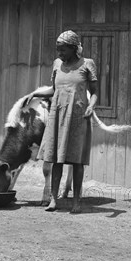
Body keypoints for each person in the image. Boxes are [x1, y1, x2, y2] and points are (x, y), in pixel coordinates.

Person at [32, 30, 98, 214]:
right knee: (55, 159)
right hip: (57, 116)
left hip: (78, 117)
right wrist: (35, 94)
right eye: (57, 50)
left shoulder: (87, 64)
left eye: (62, 50)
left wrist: (91, 106)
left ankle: (76, 201)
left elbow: (94, 92)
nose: (59, 54)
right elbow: (54, 90)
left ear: (73, 49)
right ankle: (54, 200)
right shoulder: (56, 64)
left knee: (77, 161)